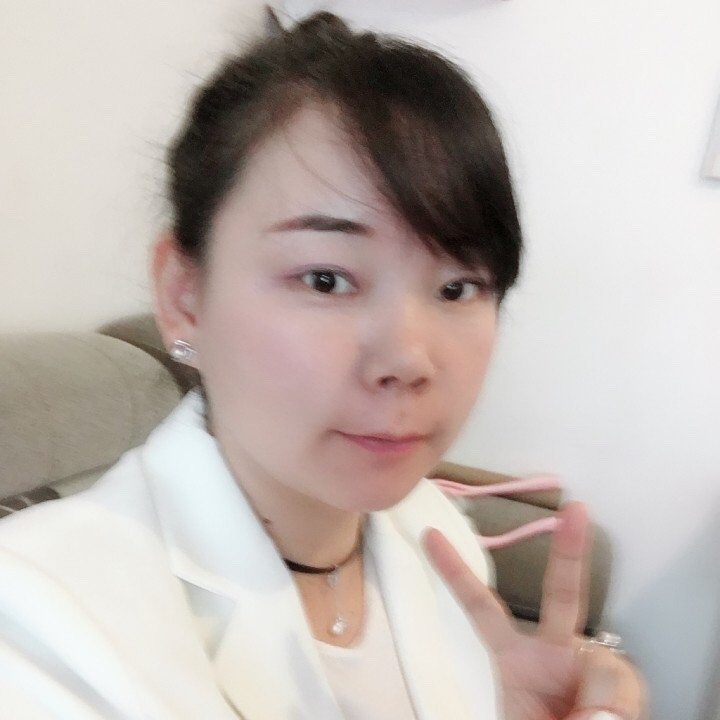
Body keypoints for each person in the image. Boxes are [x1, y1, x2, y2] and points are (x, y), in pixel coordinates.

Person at [0, 10, 645, 720]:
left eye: (458, 287)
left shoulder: (436, 535)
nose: (408, 360)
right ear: (184, 297)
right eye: (327, 279)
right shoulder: (37, 619)